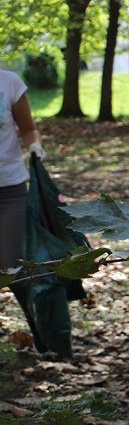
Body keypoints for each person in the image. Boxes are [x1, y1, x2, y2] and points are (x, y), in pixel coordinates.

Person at [1, 68, 44, 273]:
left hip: (10, 190)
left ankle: (39, 304)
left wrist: (34, 146)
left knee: (13, 263)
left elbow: (28, 130)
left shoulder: (9, 83)